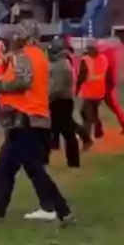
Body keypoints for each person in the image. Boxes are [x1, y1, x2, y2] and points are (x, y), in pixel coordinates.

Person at [0, 20, 74, 224]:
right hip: (29, 117)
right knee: (8, 164)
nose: (11, 39)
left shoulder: (25, 55)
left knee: (27, 167)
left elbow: (22, 80)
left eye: (15, 35)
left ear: (23, 37)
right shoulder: (36, 54)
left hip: (27, 118)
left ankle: (59, 209)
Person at [46, 37, 81, 168]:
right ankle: (73, 161)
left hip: (59, 102)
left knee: (54, 132)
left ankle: (44, 160)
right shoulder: (61, 63)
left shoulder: (61, 65)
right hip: (61, 101)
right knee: (67, 132)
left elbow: (57, 88)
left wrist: (47, 99)